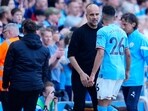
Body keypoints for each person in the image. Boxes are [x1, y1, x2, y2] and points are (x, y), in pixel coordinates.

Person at [89, 5, 131, 111]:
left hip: (107, 72)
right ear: (115, 16)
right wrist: (127, 71)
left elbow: (100, 53)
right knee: (108, 103)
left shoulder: (102, 31)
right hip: (120, 72)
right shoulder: (123, 32)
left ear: (102, 15)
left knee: (102, 103)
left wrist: (93, 73)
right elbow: (128, 54)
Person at [2, 19, 50, 111]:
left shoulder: (15, 45)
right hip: (35, 85)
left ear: (23, 30)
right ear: (36, 31)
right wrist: (41, 84)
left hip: (17, 85)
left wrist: (5, 85)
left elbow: (8, 67)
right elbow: (45, 70)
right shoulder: (44, 50)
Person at [68, 3, 102, 111]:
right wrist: (81, 74)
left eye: (97, 14)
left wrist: (93, 74)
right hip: (79, 76)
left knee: (98, 105)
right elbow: (71, 55)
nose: (95, 17)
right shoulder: (78, 32)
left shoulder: (103, 32)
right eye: (92, 14)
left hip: (97, 76)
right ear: (86, 16)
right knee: (78, 106)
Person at [120, 12, 148, 111]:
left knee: (132, 106)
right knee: (129, 106)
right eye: (121, 24)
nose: (122, 27)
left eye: (125, 24)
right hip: (123, 80)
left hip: (135, 80)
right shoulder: (122, 38)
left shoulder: (141, 39)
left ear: (133, 24)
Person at [0, 23, 20, 111]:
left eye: (4, 32)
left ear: (9, 32)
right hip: (19, 84)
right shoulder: (22, 43)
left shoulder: (5, 44)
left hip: (5, 85)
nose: (3, 34)